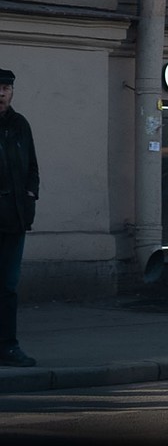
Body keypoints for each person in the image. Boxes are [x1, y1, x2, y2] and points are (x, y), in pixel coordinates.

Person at [0, 68, 39, 367]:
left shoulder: (20, 125)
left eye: (6, 88)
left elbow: (32, 169)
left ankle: (8, 347)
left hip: (14, 220)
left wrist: (29, 198)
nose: (1, 93)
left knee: (9, 287)